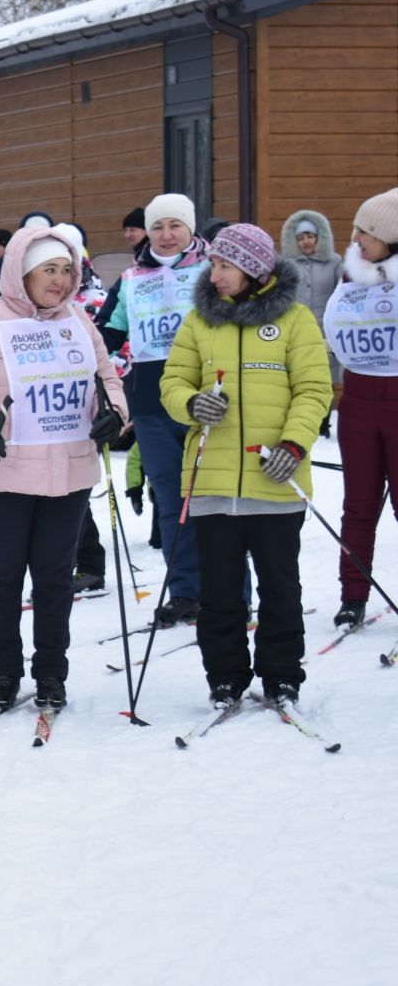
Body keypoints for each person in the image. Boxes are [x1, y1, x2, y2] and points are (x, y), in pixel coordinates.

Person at [0, 224, 128, 710]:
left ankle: (51, 674)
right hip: (3, 472)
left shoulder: (80, 322)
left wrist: (114, 415)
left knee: (53, 577)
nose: (61, 280)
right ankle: (3, 672)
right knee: (3, 575)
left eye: (67, 270)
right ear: (22, 273)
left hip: (68, 472)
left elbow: (107, 380)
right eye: (50, 269)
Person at [160, 223, 330, 705]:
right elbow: (172, 383)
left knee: (279, 589)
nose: (215, 275)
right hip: (212, 483)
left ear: (254, 269)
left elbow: (314, 391)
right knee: (219, 594)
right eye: (213, 264)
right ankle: (226, 675)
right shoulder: (199, 321)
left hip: (275, 482)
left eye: (225, 266)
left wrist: (294, 446)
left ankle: (281, 675)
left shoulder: (295, 320)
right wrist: (191, 403)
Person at [96, 192, 208, 626]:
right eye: (158, 226)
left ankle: (230, 590)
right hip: (151, 402)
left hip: (205, 402)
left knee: (214, 498)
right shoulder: (130, 278)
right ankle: (183, 591)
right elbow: (106, 331)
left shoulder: (210, 270)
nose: (165, 235)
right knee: (171, 500)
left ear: (190, 229)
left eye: (175, 225)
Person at [324, 187, 398, 629]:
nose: (354, 238)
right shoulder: (350, 274)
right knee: (359, 506)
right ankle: (353, 595)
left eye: (365, 231)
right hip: (357, 399)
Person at [281, 210, 343, 392]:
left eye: (310, 236)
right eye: (300, 238)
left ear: (319, 237)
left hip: (326, 331)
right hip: (296, 329)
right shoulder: (287, 265)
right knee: (300, 374)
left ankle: (326, 417)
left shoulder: (334, 262)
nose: (306, 242)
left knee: (325, 378)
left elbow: (343, 292)